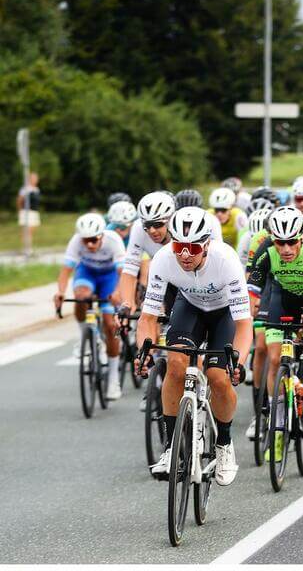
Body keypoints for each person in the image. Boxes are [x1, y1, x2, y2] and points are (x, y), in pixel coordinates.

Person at [136, 207, 251, 485]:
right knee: (175, 364)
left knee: (218, 378)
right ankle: (170, 449)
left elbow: (244, 324)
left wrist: (239, 361)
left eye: (192, 247)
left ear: (207, 244)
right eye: (179, 246)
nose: (185, 255)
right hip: (190, 308)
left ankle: (224, 444)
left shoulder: (226, 261)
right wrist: (143, 352)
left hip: (224, 314)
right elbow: (148, 317)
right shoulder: (163, 260)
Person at [248, 207, 303, 459]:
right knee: (275, 359)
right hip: (282, 295)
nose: (286, 249)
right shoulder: (265, 249)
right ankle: (277, 430)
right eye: (280, 243)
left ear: (301, 237)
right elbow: (251, 293)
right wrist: (248, 316)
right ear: (272, 239)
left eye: (291, 242)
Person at [54, 214, 125, 399]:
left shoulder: (113, 240)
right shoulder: (76, 241)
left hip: (110, 278)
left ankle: (113, 379)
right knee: (80, 297)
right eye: (86, 241)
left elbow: (123, 272)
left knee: (110, 326)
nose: (90, 245)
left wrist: (118, 293)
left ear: (101, 235)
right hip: (87, 273)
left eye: (93, 240)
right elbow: (65, 271)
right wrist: (60, 292)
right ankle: (84, 334)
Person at [17, 172, 40, 255]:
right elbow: (19, 200)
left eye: (36, 178)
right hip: (26, 212)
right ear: (30, 179)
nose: (35, 180)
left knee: (31, 231)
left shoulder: (36, 189)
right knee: (27, 231)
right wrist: (20, 210)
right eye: (33, 178)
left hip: (34, 212)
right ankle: (26, 249)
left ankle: (28, 247)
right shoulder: (25, 189)